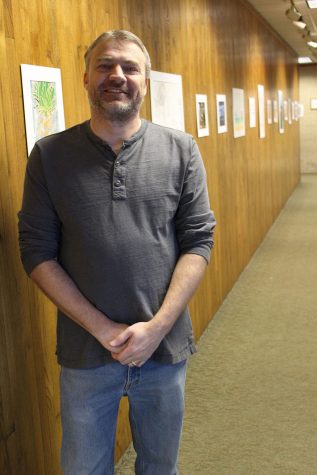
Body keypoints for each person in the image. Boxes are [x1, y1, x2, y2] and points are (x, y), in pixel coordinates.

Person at [18, 29, 216, 475]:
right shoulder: (49, 156)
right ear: (86, 77)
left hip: (163, 350)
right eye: (105, 65)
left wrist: (157, 327)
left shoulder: (181, 150)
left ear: (145, 81)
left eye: (130, 67)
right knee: (84, 469)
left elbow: (198, 240)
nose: (117, 76)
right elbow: (36, 251)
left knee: (159, 468)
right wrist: (103, 329)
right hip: (86, 355)